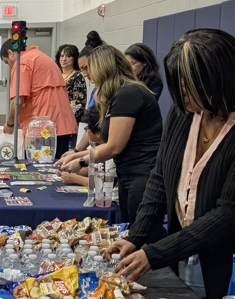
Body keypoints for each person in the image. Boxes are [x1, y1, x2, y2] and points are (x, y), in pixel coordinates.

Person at [107, 29, 235, 299]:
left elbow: (226, 213)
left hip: (227, 263)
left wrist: (155, 253)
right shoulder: (185, 112)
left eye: (190, 89)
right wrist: (136, 236)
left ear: (219, 81)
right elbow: (160, 176)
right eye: (180, 89)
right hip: (182, 253)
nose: (184, 98)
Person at [60, 44, 162, 226]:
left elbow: (114, 146)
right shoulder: (118, 94)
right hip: (128, 174)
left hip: (141, 175)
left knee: (143, 233)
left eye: (90, 70)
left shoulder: (128, 93)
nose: (89, 77)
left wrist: (81, 161)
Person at [0, 41, 78, 157]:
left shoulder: (23, 63)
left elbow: (17, 101)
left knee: (37, 171)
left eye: (7, 62)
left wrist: (10, 124)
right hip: (62, 127)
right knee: (57, 171)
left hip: (42, 130)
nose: (10, 66)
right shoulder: (41, 56)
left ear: (10, 52)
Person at [56, 43, 87, 123]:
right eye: (62, 56)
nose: (64, 59)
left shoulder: (78, 77)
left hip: (69, 120)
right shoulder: (56, 74)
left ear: (74, 58)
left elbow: (78, 104)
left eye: (68, 56)